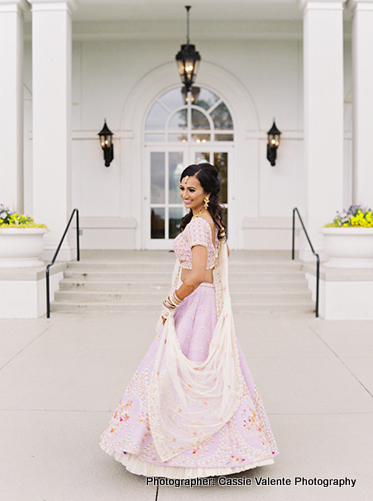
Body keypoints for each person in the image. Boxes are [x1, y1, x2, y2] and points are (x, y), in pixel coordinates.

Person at [100, 163, 279, 478]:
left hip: (195, 304)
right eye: (182, 188)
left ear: (207, 193)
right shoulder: (208, 221)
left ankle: (184, 445)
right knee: (201, 370)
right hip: (202, 303)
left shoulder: (199, 225)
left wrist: (173, 299)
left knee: (177, 370)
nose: (184, 194)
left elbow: (197, 275)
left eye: (191, 189)